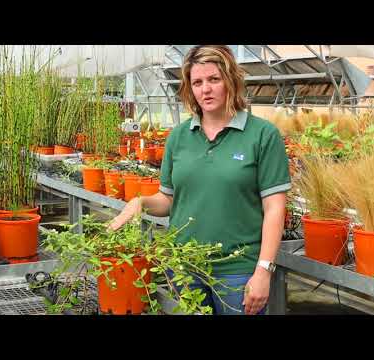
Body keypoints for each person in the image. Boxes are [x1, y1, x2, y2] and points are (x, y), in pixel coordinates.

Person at [109, 45, 291, 315]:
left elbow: (274, 208)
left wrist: (263, 271)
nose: (205, 89)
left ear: (230, 80)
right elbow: (168, 199)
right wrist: (140, 202)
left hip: (237, 272)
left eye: (214, 79)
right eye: (197, 82)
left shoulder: (262, 135)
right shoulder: (179, 137)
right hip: (184, 268)